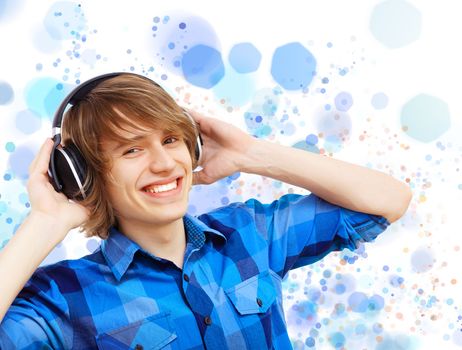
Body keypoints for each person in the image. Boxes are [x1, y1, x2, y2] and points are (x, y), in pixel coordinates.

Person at [0, 73, 412, 349]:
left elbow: (388, 201)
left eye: (171, 140)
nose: (164, 164)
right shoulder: (64, 297)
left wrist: (253, 153)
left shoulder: (250, 234)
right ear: (85, 175)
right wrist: (45, 223)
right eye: (132, 149)